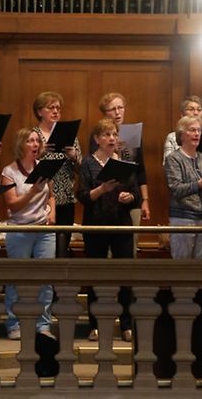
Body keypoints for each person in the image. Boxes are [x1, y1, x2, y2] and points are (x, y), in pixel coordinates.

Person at [78, 118, 138, 342]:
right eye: (106, 135)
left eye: (114, 134)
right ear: (97, 139)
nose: (112, 138)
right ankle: (94, 325)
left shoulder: (125, 161)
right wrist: (102, 189)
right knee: (95, 274)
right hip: (96, 224)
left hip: (121, 225)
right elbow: (83, 196)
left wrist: (128, 196)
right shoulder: (88, 163)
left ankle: (125, 324)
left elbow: (135, 195)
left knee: (125, 276)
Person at [1, 128, 56, 340]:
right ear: (21, 145)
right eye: (30, 141)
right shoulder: (9, 172)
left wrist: (52, 213)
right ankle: (14, 324)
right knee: (17, 278)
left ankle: (43, 325)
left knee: (46, 279)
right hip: (20, 230)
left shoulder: (44, 168)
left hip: (43, 229)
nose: (35, 144)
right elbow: (12, 205)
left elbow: (51, 195)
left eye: (37, 141)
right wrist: (33, 191)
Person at [164, 114, 202, 258]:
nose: (197, 134)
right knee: (182, 267)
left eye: (199, 130)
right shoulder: (173, 159)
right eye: (192, 130)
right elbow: (176, 189)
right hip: (183, 218)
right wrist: (200, 184)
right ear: (181, 134)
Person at [30, 90, 81, 257]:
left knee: (62, 245)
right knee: (42, 246)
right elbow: (23, 166)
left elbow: (82, 169)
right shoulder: (32, 135)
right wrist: (40, 153)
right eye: (51, 107)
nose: (55, 111)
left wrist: (74, 157)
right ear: (39, 111)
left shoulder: (70, 135)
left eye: (58, 108)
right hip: (40, 198)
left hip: (65, 197)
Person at [94, 91, 150, 223]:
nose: (117, 112)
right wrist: (112, 150)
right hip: (108, 198)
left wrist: (145, 200)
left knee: (132, 240)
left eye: (120, 108)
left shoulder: (132, 134)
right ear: (105, 113)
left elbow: (140, 169)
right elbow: (95, 169)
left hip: (133, 195)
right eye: (113, 109)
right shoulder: (98, 136)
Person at [162, 96, 202, 160]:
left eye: (199, 110)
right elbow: (168, 165)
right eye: (191, 109)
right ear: (182, 114)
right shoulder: (172, 137)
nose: (196, 113)